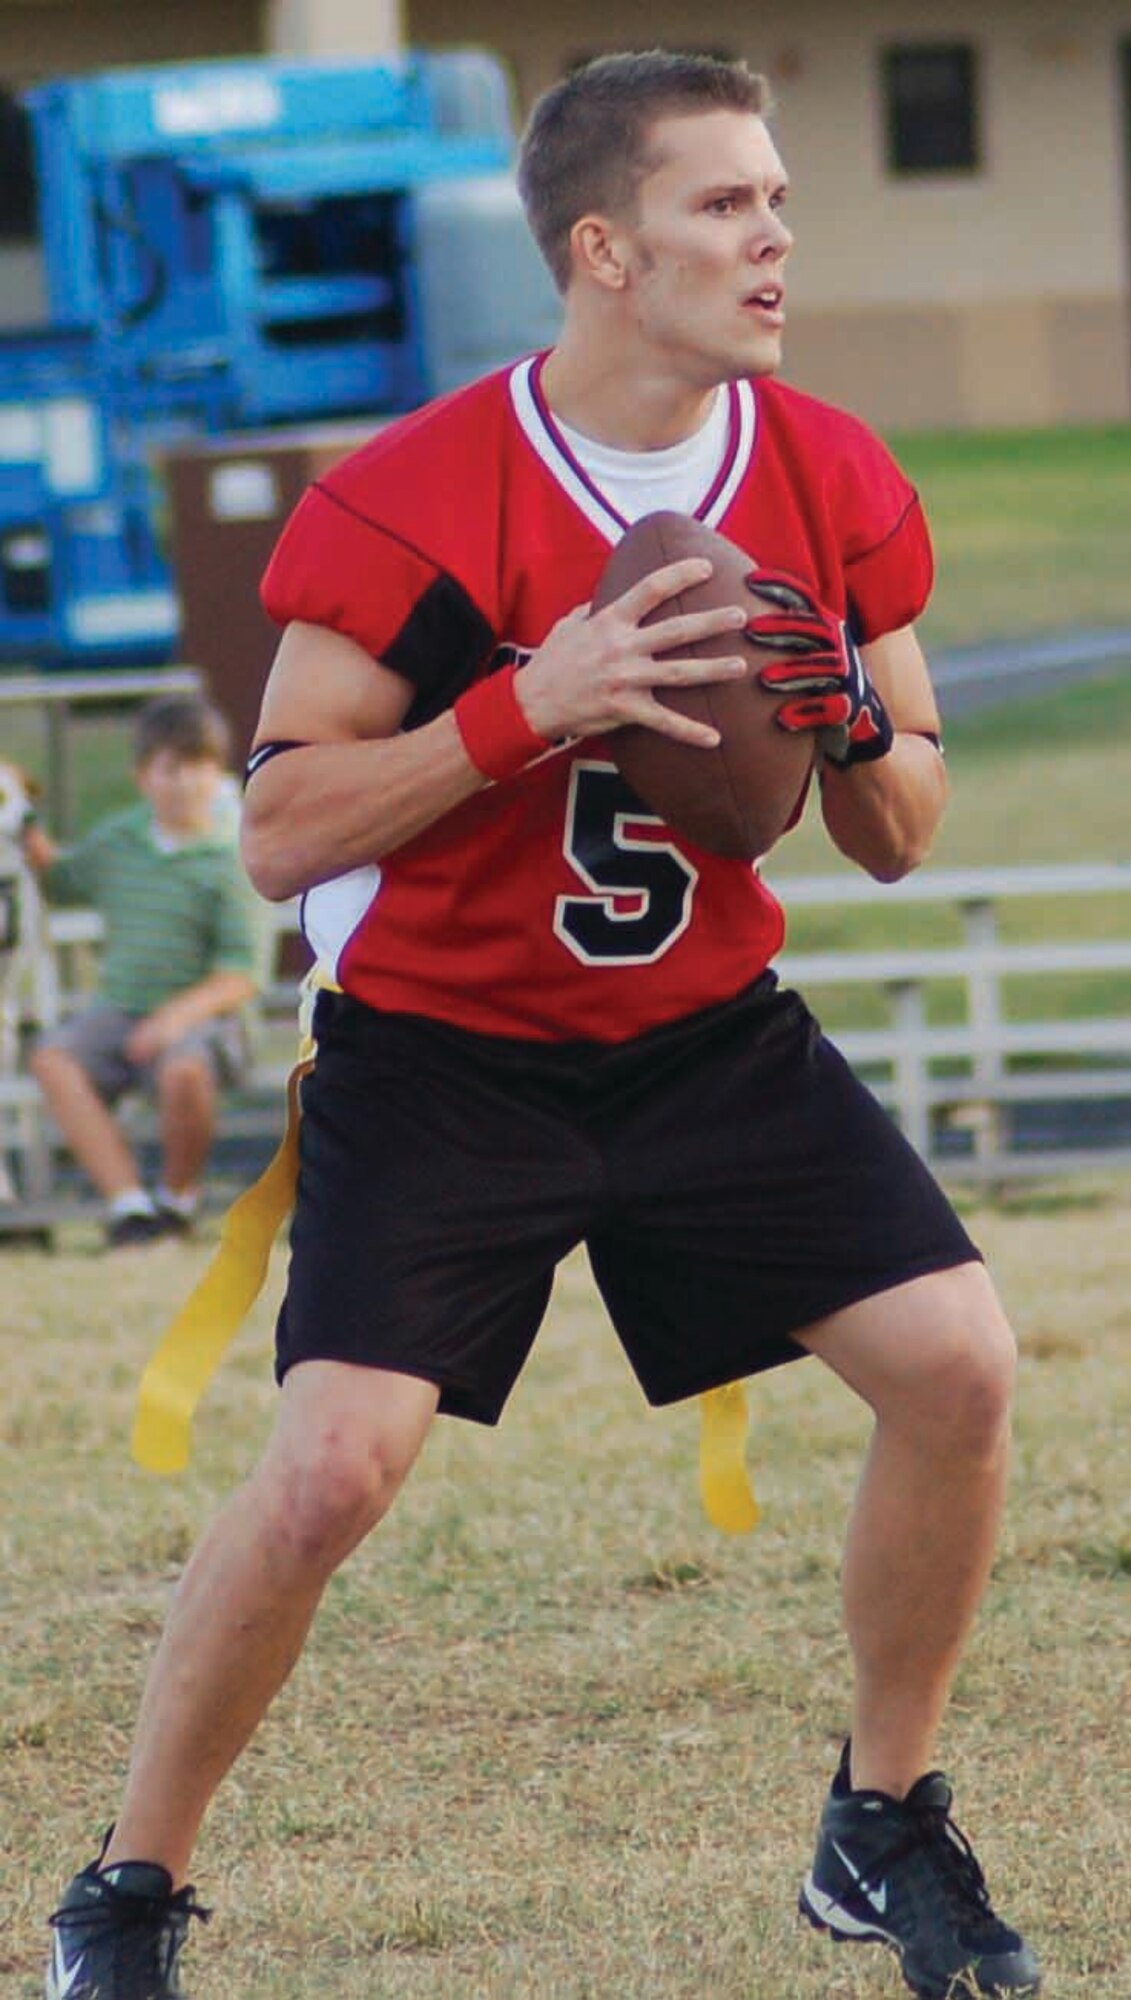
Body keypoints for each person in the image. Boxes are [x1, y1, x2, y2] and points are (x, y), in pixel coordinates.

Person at [45, 51, 1041, 2000]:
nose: (770, 235)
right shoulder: (412, 496)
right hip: (444, 1057)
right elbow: (273, 831)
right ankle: (127, 1892)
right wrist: (530, 701)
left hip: (702, 1035)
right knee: (330, 1473)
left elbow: (901, 824)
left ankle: (880, 1819)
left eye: (776, 198)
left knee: (959, 1366)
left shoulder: (827, 469)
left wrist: (839, 712)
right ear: (600, 250)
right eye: (721, 204)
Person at [23, 694, 259, 1249]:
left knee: (184, 1072)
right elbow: (61, 879)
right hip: (121, 1009)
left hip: (204, 1019)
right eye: (171, 769)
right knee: (54, 1058)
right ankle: (129, 1205)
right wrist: (23, 820)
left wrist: (173, 1021)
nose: (186, 783)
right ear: (143, 777)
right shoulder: (119, 840)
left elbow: (240, 974)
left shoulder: (231, 857)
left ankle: (177, 1201)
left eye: (200, 767)